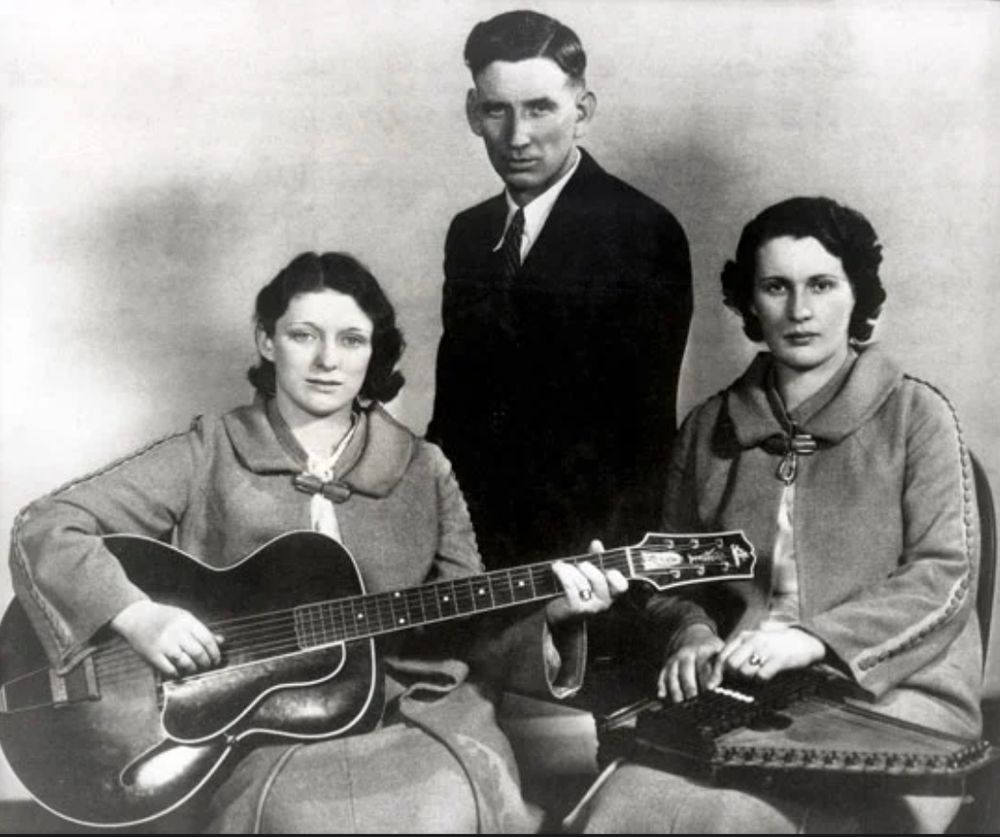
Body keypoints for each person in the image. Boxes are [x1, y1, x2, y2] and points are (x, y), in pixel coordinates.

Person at [9, 251, 628, 833]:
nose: (327, 360)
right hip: (264, 731)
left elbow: (466, 624)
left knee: (437, 818)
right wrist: (138, 615)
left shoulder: (423, 468)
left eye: (351, 340)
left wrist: (554, 613)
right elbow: (47, 521)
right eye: (304, 335)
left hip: (412, 719)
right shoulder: (209, 451)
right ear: (266, 341)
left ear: (372, 354)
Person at [572, 197, 982, 834]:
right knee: (621, 812)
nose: (800, 311)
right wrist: (692, 633)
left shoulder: (917, 415)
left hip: (893, 693)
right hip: (744, 688)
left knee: (744, 818)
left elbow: (945, 577)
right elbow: (672, 580)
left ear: (858, 296)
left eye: (822, 284)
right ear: (750, 304)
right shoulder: (709, 427)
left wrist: (816, 640)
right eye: (776, 287)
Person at [427, 10, 692, 573]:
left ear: (583, 112)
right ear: (474, 113)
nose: (517, 137)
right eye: (497, 109)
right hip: (469, 556)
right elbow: (453, 416)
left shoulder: (643, 232)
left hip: (591, 560)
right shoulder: (469, 235)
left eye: (540, 108)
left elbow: (640, 441)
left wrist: (601, 573)